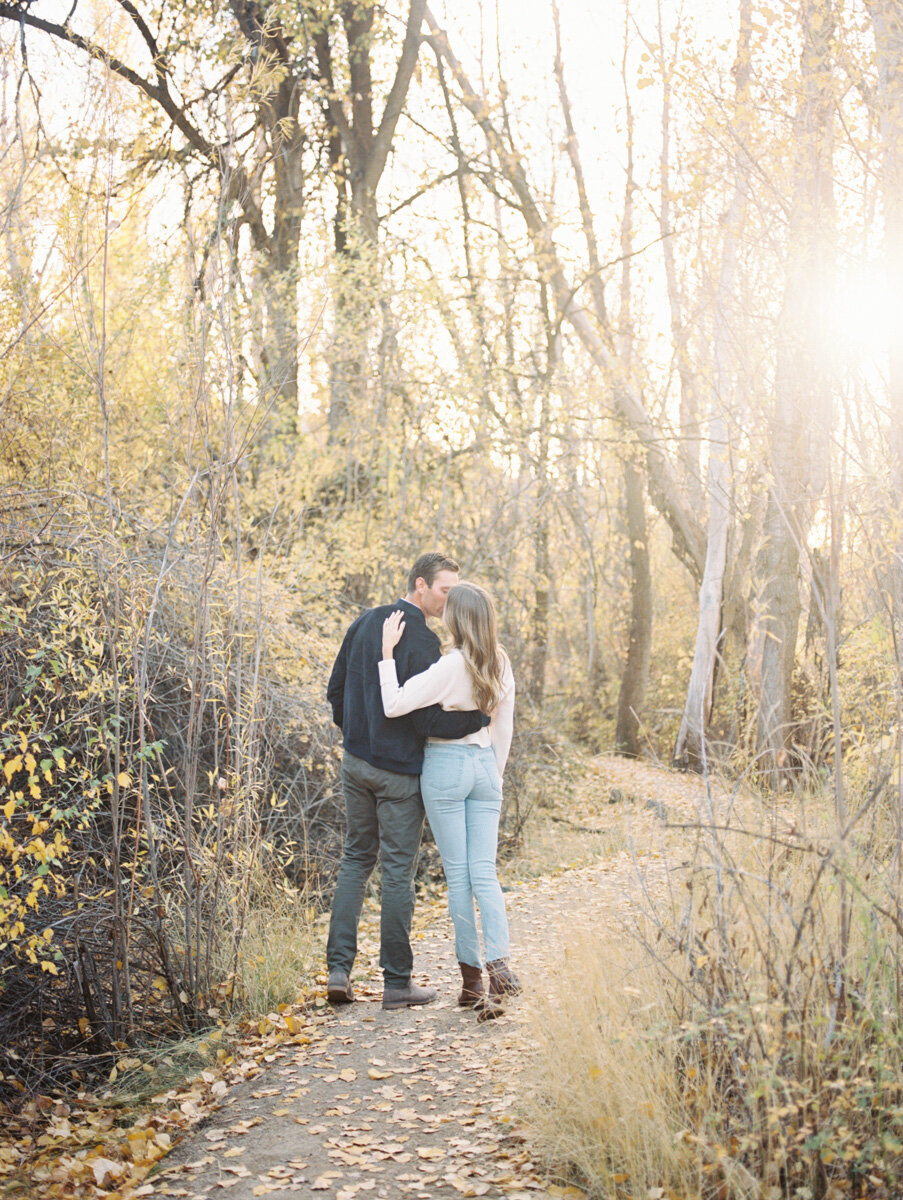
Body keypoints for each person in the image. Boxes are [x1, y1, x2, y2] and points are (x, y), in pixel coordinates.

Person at [325, 553, 489, 1011]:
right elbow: (428, 722)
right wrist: (478, 719)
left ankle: (338, 971)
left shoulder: (364, 621)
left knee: (356, 860)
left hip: (355, 764)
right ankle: (397, 983)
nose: (450, 598)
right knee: (397, 871)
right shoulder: (421, 641)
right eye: (444, 590)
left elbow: (335, 691)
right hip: (397, 775)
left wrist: (356, 735)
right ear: (420, 585)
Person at [378, 582, 521, 1016]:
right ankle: (500, 967)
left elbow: (394, 704)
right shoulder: (500, 662)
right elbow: (505, 725)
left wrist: (387, 656)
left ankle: (472, 981)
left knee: (459, 876)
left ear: (456, 619)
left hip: (445, 767)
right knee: (485, 872)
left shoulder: (450, 664)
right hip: (485, 766)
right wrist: (494, 772)